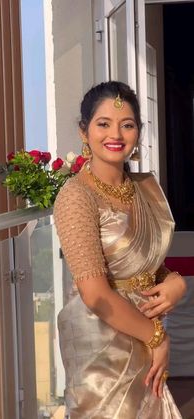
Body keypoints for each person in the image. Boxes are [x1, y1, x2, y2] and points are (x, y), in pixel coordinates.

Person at [53, 81, 186, 418]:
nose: (116, 134)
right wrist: (158, 338)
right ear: (84, 132)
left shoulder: (145, 189)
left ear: (138, 133)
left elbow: (147, 267)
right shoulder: (75, 197)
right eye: (103, 124)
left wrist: (175, 281)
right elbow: (94, 292)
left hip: (145, 335)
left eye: (127, 125)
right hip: (101, 349)